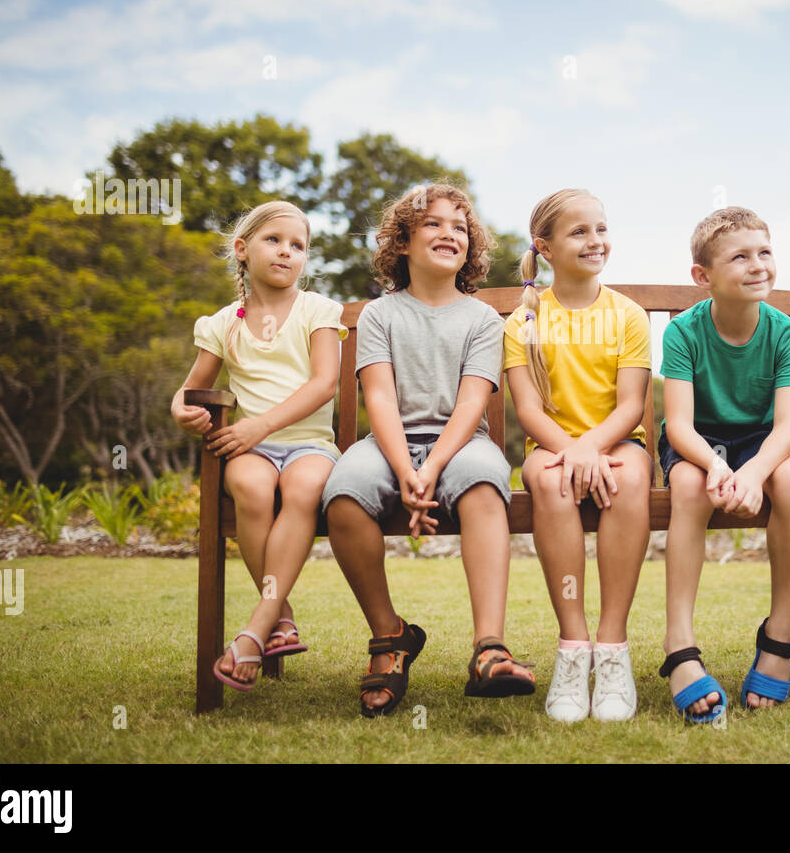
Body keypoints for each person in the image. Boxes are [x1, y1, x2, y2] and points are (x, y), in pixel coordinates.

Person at [321, 183, 535, 717]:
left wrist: (433, 466)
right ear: (403, 244)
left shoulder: (484, 319)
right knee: (343, 495)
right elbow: (380, 399)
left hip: (461, 443)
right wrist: (404, 470)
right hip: (389, 442)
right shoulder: (379, 315)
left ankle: (489, 647)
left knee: (487, 485)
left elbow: (471, 405)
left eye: (459, 227)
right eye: (434, 224)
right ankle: (390, 637)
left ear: (471, 247)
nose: (449, 234)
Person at [172, 200, 345, 692]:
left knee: (305, 488)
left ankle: (254, 630)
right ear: (242, 250)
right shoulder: (223, 323)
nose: (287, 252)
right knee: (249, 486)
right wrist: (183, 411)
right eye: (274, 241)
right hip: (251, 450)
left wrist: (261, 425)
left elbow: (324, 385)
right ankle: (279, 615)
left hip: (309, 444)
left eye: (298, 246)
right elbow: (191, 389)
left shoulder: (318, 311)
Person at [658, 207, 790, 722]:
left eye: (764, 253)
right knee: (687, 487)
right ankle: (679, 645)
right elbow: (678, 426)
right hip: (698, 441)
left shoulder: (785, 333)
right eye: (740, 257)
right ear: (703, 277)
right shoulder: (683, 333)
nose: (757, 266)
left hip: (761, 442)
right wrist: (715, 466)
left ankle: (779, 637)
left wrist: (750, 472)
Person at [504, 188, 654, 722]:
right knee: (547, 481)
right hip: (551, 447)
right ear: (544, 247)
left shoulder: (629, 316)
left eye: (601, 228)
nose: (596, 241)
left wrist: (592, 448)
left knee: (631, 480)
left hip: (616, 443)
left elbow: (632, 406)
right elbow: (529, 412)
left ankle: (612, 650)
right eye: (580, 231)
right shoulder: (523, 321)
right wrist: (572, 451)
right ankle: (574, 649)